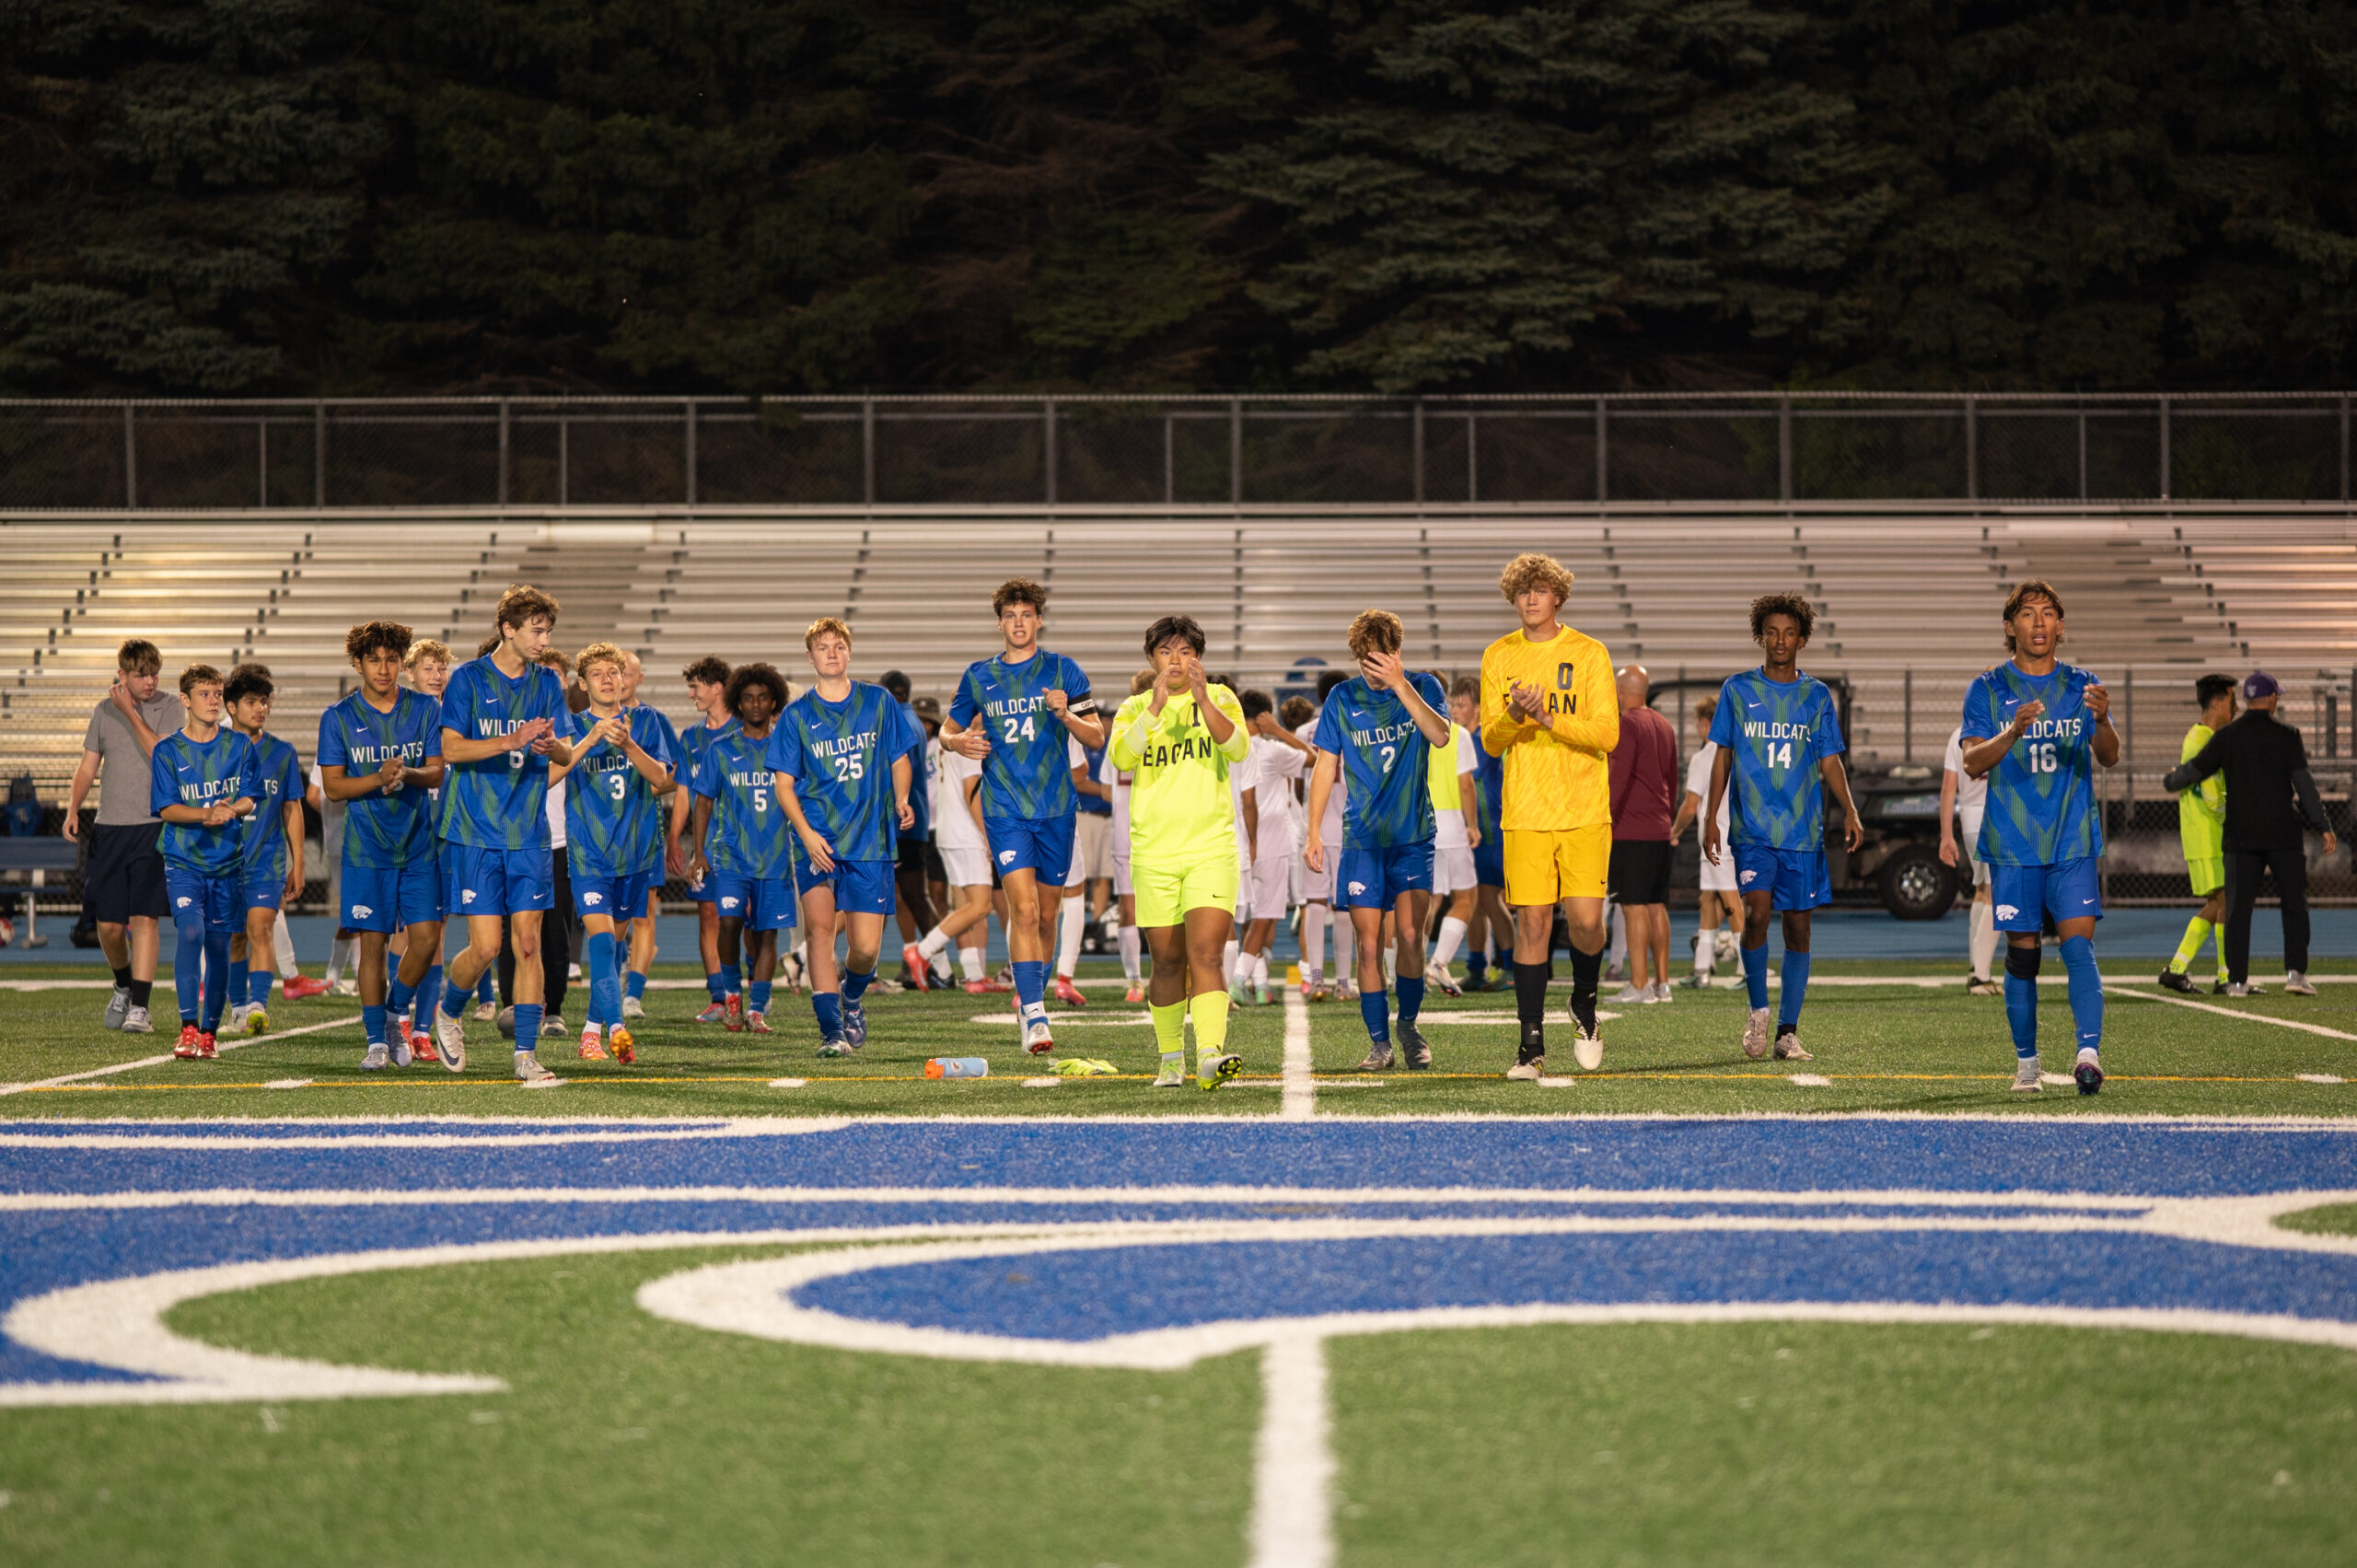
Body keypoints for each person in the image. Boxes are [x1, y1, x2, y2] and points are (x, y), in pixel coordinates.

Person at [1958, 579, 2119, 1095]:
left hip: (2072, 841)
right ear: (2011, 627)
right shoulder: (1987, 688)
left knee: (2078, 948)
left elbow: (2110, 754)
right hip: (2013, 845)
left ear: (2061, 625)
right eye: (2029, 614)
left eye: (2049, 613)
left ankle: (2088, 1053)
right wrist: (2013, 731)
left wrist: (2103, 720)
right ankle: (2027, 1064)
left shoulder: (2083, 684)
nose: (2040, 623)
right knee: (2023, 957)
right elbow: (1972, 762)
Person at [939, 578, 1105, 1055]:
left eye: (1026, 615)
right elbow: (948, 734)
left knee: (1048, 914)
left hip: (1056, 810)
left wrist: (1066, 715)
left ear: (1038, 620)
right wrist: (959, 743)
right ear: (1000, 623)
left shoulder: (1062, 670)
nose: (1018, 623)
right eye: (1010, 615)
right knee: (1024, 910)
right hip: (1005, 809)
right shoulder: (978, 676)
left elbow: (1095, 739)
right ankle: (1034, 1014)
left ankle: (1031, 992)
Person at [1703, 595, 1863, 1063]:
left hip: (1801, 833)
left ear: (1802, 639)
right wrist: (1712, 816)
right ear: (1760, 636)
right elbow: (1723, 756)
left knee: (1798, 929)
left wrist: (1850, 809)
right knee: (1755, 913)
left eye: (1789, 633)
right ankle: (1757, 1010)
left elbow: (1829, 760)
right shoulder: (1737, 690)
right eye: (1771, 632)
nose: (1779, 641)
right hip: (1752, 830)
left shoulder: (1815, 696)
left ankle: (1787, 1032)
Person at [1480, 552, 1619, 1080]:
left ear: (1558, 597)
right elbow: (1491, 740)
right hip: (1525, 812)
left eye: (1540, 590)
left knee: (1586, 923)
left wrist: (1548, 717)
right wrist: (1516, 715)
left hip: (1584, 810)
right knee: (1532, 923)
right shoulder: (1498, 655)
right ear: (1513, 599)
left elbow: (1608, 734)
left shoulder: (1589, 652)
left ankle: (1584, 1002)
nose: (1531, 598)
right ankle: (1530, 1048)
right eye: (1522, 591)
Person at [428, 586, 575, 1083]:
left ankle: (526, 1055)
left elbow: (565, 756)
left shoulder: (547, 682)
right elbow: (450, 749)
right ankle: (448, 1014)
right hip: (475, 832)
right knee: (487, 948)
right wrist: (509, 740)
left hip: (530, 831)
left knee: (527, 944)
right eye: (536, 629)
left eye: (547, 630)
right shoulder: (468, 679)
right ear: (508, 629)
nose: (544, 638)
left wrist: (550, 746)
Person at [1307, 609, 1453, 1072]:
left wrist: (1399, 684)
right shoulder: (1341, 697)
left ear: (1396, 652)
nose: (1372, 670)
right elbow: (1325, 766)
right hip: (1363, 839)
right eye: (1365, 661)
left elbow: (1441, 735)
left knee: (1410, 935)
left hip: (1412, 836)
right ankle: (1379, 1043)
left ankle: (1408, 1025)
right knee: (1368, 945)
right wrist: (1312, 831)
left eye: (1382, 659)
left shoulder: (1424, 686)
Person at [1110, 615, 1252, 1089]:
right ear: (1152, 659)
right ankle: (1172, 1061)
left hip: (1211, 847)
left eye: (1186, 652)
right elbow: (1122, 758)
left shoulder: (1222, 698)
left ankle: (1209, 1055)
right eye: (1167, 652)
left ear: (1199, 658)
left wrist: (1204, 700)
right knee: (1167, 962)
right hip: (1154, 854)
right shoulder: (1133, 708)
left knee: (1206, 954)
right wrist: (1153, 708)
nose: (1177, 660)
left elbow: (1237, 749)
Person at [775, 620, 923, 1056]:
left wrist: (900, 799)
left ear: (849, 652)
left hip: (871, 839)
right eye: (822, 647)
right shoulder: (797, 715)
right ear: (810, 657)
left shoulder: (878, 702)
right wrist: (805, 835)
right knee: (820, 932)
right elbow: (784, 785)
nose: (832, 653)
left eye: (839, 646)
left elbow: (900, 758)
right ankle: (831, 1032)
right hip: (818, 839)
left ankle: (852, 995)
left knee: (864, 948)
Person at [2162, 669, 2338, 997]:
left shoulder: (2228, 736)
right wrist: (2323, 824)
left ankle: (2236, 981)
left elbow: (2197, 770)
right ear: (2271, 699)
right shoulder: (2288, 735)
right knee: (2294, 903)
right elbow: (2304, 785)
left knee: (2238, 908)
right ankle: (2296, 975)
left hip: (2240, 835)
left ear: (2246, 699)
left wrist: (2170, 781)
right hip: (2282, 832)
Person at [319, 621, 447, 1070]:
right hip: (365, 850)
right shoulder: (338, 717)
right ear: (357, 663)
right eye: (374, 659)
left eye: (392, 659)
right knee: (372, 947)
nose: (384, 668)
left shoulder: (425, 709)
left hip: (417, 845)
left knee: (428, 939)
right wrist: (378, 778)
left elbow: (437, 771)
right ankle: (377, 1040)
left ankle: (396, 1012)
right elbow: (333, 788)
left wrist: (406, 775)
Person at [551, 643, 673, 1063]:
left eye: (613, 672)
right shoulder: (569, 726)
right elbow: (549, 777)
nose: (607, 679)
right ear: (582, 683)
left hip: (635, 855)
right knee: (601, 942)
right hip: (588, 856)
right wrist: (590, 739)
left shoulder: (648, 722)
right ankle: (617, 1027)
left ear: (625, 678)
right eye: (597, 673)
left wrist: (628, 746)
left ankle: (589, 1032)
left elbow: (662, 778)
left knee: (614, 944)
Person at [66, 637, 182, 1035]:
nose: (150, 681)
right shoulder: (103, 710)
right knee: (109, 925)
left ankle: (141, 1007)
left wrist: (131, 712)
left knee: (144, 918)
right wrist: (71, 808)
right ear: (122, 675)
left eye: (154, 673)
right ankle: (123, 984)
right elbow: (87, 767)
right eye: (141, 674)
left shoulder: (170, 707)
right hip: (109, 828)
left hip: (153, 825)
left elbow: (162, 755)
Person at [151, 665, 257, 1059]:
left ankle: (210, 1032)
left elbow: (250, 796)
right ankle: (188, 1028)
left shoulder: (240, 746)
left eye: (217, 694)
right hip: (184, 860)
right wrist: (204, 814)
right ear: (185, 700)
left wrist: (234, 808)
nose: (213, 701)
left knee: (217, 946)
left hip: (227, 862)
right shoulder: (168, 751)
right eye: (205, 694)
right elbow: (166, 808)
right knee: (190, 934)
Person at [685, 663, 797, 1033]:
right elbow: (702, 801)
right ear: (737, 701)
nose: (755, 704)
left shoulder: (788, 746)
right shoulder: (721, 749)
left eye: (763, 697)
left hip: (776, 858)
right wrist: (699, 852)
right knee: (729, 924)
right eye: (747, 698)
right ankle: (733, 995)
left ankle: (757, 1009)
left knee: (767, 934)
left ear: (774, 701)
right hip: (731, 856)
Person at [220, 665, 305, 1037]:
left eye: (264, 702)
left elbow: (292, 808)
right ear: (231, 707)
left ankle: (257, 1005)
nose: (261, 709)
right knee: (235, 936)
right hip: (223, 860)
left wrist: (298, 861)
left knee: (260, 927)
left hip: (266, 861)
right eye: (252, 702)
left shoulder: (282, 753)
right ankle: (237, 1008)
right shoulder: (214, 751)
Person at [2158, 674, 2238, 994]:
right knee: (2225, 901)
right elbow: (2211, 795)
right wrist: (2234, 817)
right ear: (2217, 702)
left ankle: (2178, 969)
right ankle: (2225, 976)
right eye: (2232, 700)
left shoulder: (2198, 735)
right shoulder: (2204, 737)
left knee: (2217, 903)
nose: (2236, 706)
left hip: (2202, 834)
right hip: (2210, 833)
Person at [668, 656, 736, 1023]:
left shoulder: (746, 731)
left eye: (696, 686)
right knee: (708, 916)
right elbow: (683, 792)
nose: (691, 693)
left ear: (717, 688)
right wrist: (676, 839)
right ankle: (718, 996)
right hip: (705, 842)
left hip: (742, 841)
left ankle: (751, 991)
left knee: (745, 918)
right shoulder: (690, 737)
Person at [1607, 665, 1679, 1005]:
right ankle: (1662, 984)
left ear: (1620, 691)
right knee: (1656, 905)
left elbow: (1617, 779)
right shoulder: (1664, 725)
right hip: (1660, 828)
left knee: (1633, 907)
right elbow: (1672, 779)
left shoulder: (1628, 724)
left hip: (1631, 829)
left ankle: (1638, 984)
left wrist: (1605, 815)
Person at [619, 648, 679, 1017]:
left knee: (643, 915)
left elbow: (675, 775)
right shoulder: (588, 721)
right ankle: (612, 981)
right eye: (614, 671)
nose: (620, 679)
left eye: (627, 672)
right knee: (608, 919)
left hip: (643, 830)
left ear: (639, 678)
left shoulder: (653, 720)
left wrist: (643, 787)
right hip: (601, 833)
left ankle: (633, 995)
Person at [1239, 691, 1309, 1005]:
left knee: (1242, 918)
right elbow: (1314, 758)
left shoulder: (1229, 747)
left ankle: (1261, 983)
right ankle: (1239, 978)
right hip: (1271, 840)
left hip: (1238, 839)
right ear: (1263, 719)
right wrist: (1279, 731)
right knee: (1266, 916)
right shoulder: (1272, 750)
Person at [877, 669, 942, 993]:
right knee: (909, 897)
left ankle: (939, 966)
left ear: (887, 693)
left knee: (901, 896)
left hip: (900, 822)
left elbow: (893, 773)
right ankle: (931, 965)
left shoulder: (896, 724)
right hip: (912, 823)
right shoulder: (913, 722)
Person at [1446, 677, 1509, 993]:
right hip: (1469, 833)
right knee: (1469, 899)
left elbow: (1470, 778)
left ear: (1479, 709)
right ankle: (1475, 968)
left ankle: (1510, 968)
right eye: (1452, 704)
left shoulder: (1482, 739)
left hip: (1490, 832)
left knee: (1489, 899)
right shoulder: (1458, 738)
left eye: (1461, 705)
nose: (1455, 710)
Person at [1669, 696, 1737, 989]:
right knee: (1707, 901)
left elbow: (1689, 805)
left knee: (1732, 902)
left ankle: (1748, 970)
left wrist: (1673, 832)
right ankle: (1702, 970)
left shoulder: (1704, 757)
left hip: (1717, 840)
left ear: (1705, 723)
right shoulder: (1735, 752)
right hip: (1721, 839)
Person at [1297, 670, 1354, 1001]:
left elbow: (1296, 783)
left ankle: (1317, 978)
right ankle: (1344, 983)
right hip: (1347, 826)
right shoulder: (1355, 722)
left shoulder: (1303, 731)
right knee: (1344, 905)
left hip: (1314, 828)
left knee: (1315, 903)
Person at [1422, 693, 1482, 999]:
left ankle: (1409, 968)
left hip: (1417, 823)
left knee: (1427, 900)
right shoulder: (1457, 733)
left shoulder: (1410, 727)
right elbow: (1465, 784)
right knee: (1466, 897)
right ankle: (1438, 963)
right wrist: (1472, 825)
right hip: (1450, 825)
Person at [1938, 722, 2002, 996]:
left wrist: (1946, 835)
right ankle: (1981, 977)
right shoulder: (2003, 729)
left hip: (1969, 820)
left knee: (1981, 889)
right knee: (1996, 894)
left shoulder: (1958, 734)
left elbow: (1948, 789)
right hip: (1994, 816)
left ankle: (1975, 965)